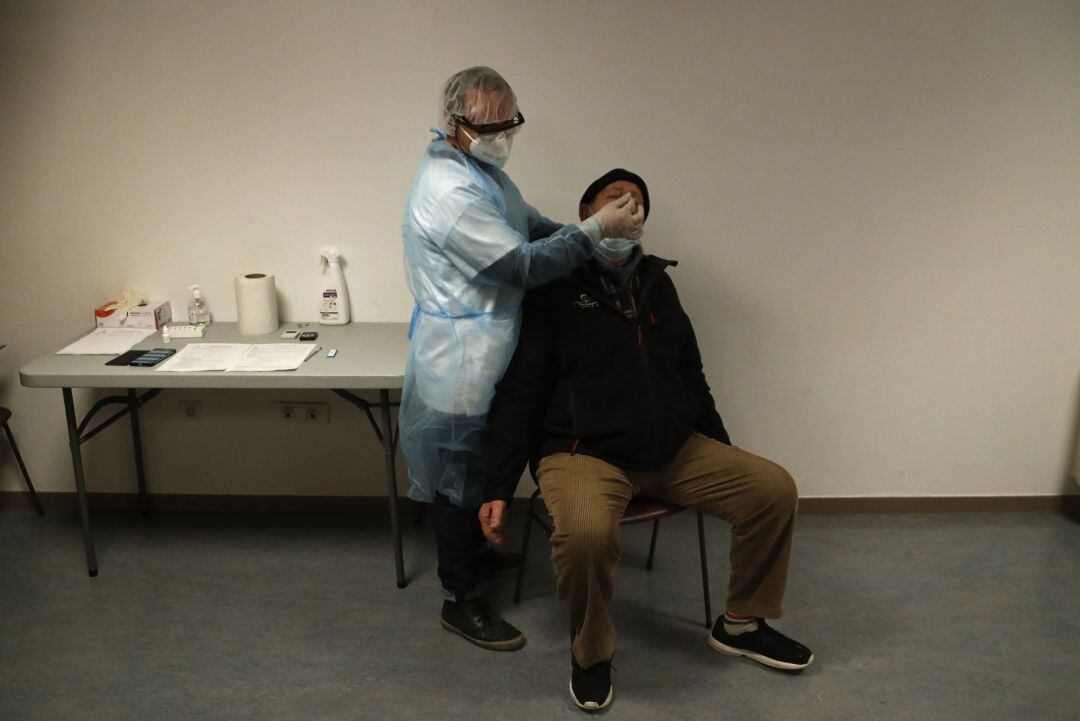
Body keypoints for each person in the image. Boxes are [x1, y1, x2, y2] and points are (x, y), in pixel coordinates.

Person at [479, 169, 814, 710]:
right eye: (614, 200)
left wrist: (722, 447)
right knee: (586, 535)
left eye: (636, 204)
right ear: (586, 214)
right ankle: (591, 654)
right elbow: (522, 390)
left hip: (671, 449)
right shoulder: (553, 289)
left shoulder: (659, 283)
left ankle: (741, 624)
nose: (626, 209)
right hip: (582, 453)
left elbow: (691, 374)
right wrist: (497, 485)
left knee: (773, 489)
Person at [399, 68, 645, 652]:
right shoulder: (449, 191)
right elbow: (521, 265)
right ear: (454, 123)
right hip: (460, 360)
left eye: (508, 123)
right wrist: (596, 229)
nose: (500, 136)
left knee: (483, 466)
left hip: (490, 347)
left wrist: (594, 241)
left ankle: (474, 561)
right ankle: (459, 599)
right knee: (459, 481)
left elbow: (531, 228)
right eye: (487, 126)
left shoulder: (483, 174)